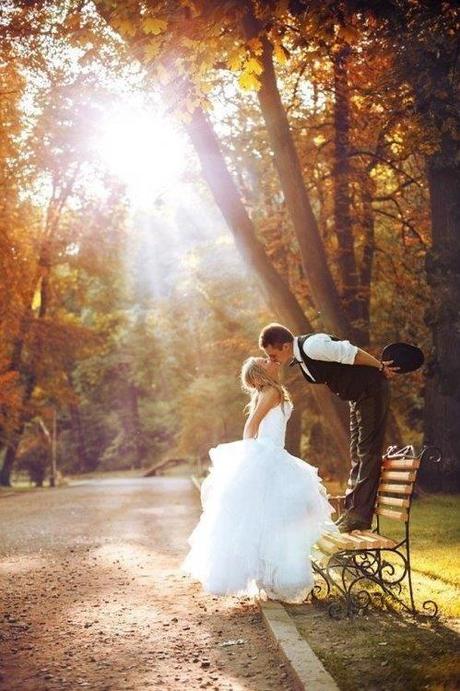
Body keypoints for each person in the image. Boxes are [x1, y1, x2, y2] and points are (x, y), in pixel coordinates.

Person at [181, 356, 337, 603]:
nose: (269, 359)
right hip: (268, 454)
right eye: (264, 360)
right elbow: (251, 426)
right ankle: (278, 578)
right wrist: (249, 454)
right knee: (274, 519)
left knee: (272, 518)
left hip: (274, 454)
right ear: (258, 374)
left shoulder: (269, 391)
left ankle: (273, 578)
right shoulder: (272, 391)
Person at [259, 323, 399, 533]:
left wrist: (380, 367)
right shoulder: (300, 357)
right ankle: (351, 512)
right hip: (358, 398)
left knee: (367, 452)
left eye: (272, 354)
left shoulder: (313, 345)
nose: (272, 360)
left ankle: (359, 517)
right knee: (357, 454)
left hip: (372, 391)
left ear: (285, 346)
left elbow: (352, 353)